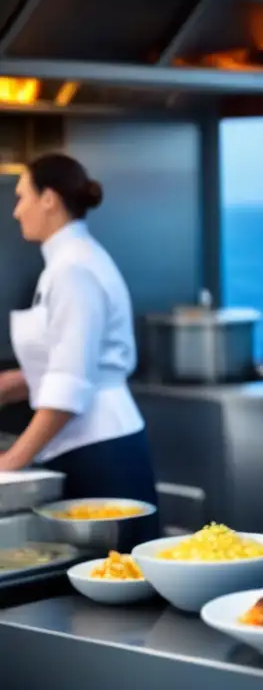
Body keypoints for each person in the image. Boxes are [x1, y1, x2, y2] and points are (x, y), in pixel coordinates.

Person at [0, 153, 159, 545]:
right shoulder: (68, 263)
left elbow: (70, 386)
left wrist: (10, 462)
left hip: (100, 452)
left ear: (49, 199)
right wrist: (9, 387)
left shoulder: (72, 269)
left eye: (23, 197)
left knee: (115, 582)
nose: (17, 211)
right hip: (89, 446)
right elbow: (66, 365)